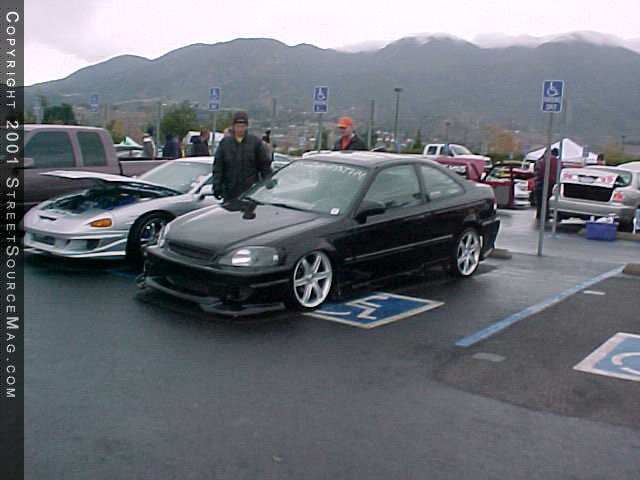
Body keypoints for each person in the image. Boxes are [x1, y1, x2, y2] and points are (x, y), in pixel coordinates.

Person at [213, 111, 271, 201]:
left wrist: (268, 184)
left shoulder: (255, 142)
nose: (240, 129)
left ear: (246, 127)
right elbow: (218, 166)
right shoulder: (225, 143)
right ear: (233, 127)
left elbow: (264, 166)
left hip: (250, 192)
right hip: (229, 191)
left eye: (242, 126)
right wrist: (217, 186)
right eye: (238, 126)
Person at [534, 147, 560, 220]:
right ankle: (546, 215)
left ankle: (540, 215)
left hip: (541, 183)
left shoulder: (543, 161)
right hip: (552, 184)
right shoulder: (558, 162)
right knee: (547, 200)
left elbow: (538, 172)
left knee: (540, 200)